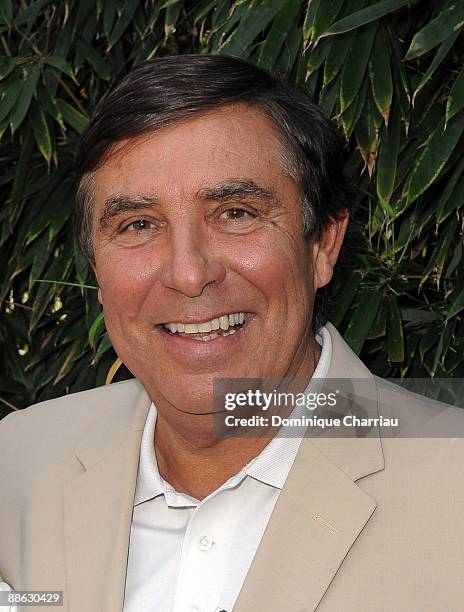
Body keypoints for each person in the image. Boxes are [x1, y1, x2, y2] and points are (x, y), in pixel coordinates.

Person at [0, 54, 463, 612]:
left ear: (323, 245)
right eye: (138, 225)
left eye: (236, 213)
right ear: (96, 267)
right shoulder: (20, 462)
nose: (189, 273)